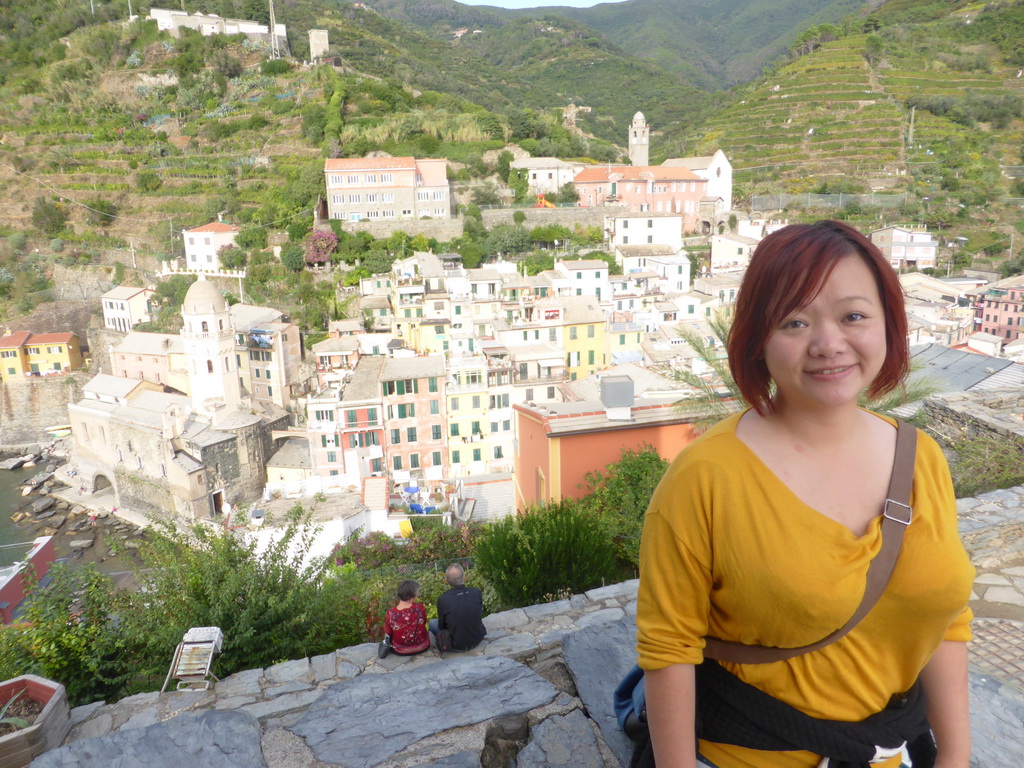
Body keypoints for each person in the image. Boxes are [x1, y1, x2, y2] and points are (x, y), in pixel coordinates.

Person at [636, 220, 975, 768]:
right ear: (758, 340)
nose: (828, 344)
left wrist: (955, 755)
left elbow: (945, 620)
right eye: (794, 321)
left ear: (888, 322)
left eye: (853, 316)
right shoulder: (706, 478)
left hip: (890, 751)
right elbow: (669, 647)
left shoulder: (921, 459)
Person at [431, 563, 486, 651]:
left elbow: (441, 626)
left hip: (456, 645)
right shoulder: (476, 592)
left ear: (446, 581)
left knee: (432, 623)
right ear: (464, 578)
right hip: (477, 640)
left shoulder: (443, 599)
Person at [384, 580, 430, 656]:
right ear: (412, 596)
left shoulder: (391, 613)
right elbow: (424, 622)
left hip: (401, 650)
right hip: (422, 646)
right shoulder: (420, 607)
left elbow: (388, 632)